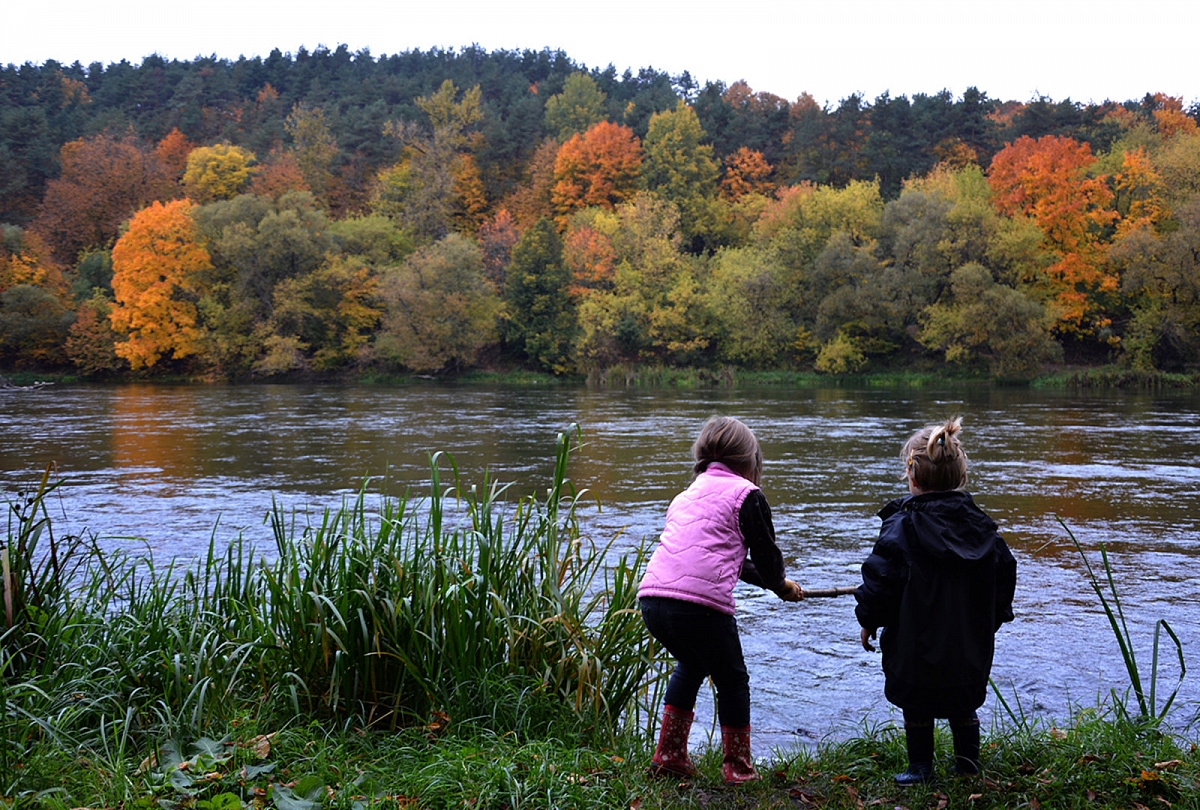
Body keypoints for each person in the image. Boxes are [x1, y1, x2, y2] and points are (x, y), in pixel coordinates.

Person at [638, 415, 804, 785]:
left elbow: (729, 559)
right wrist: (781, 585)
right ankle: (738, 768)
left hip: (653, 600)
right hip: (700, 606)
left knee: (691, 664)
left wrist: (776, 585)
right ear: (751, 461)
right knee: (732, 680)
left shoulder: (687, 495)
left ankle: (669, 755)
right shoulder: (747, 495)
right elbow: (766, 557)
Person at [855, 417, 1016, 785]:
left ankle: (920, 768)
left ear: (911, 477)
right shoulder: (982, 527)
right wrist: (991, 618)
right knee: (964, 703)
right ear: (962, 477)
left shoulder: (901, 528)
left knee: (917, 704)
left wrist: (868, 619)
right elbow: (1005, 574)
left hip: (915, 642)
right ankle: (967, 765)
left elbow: (880, 580)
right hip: (968, 641)